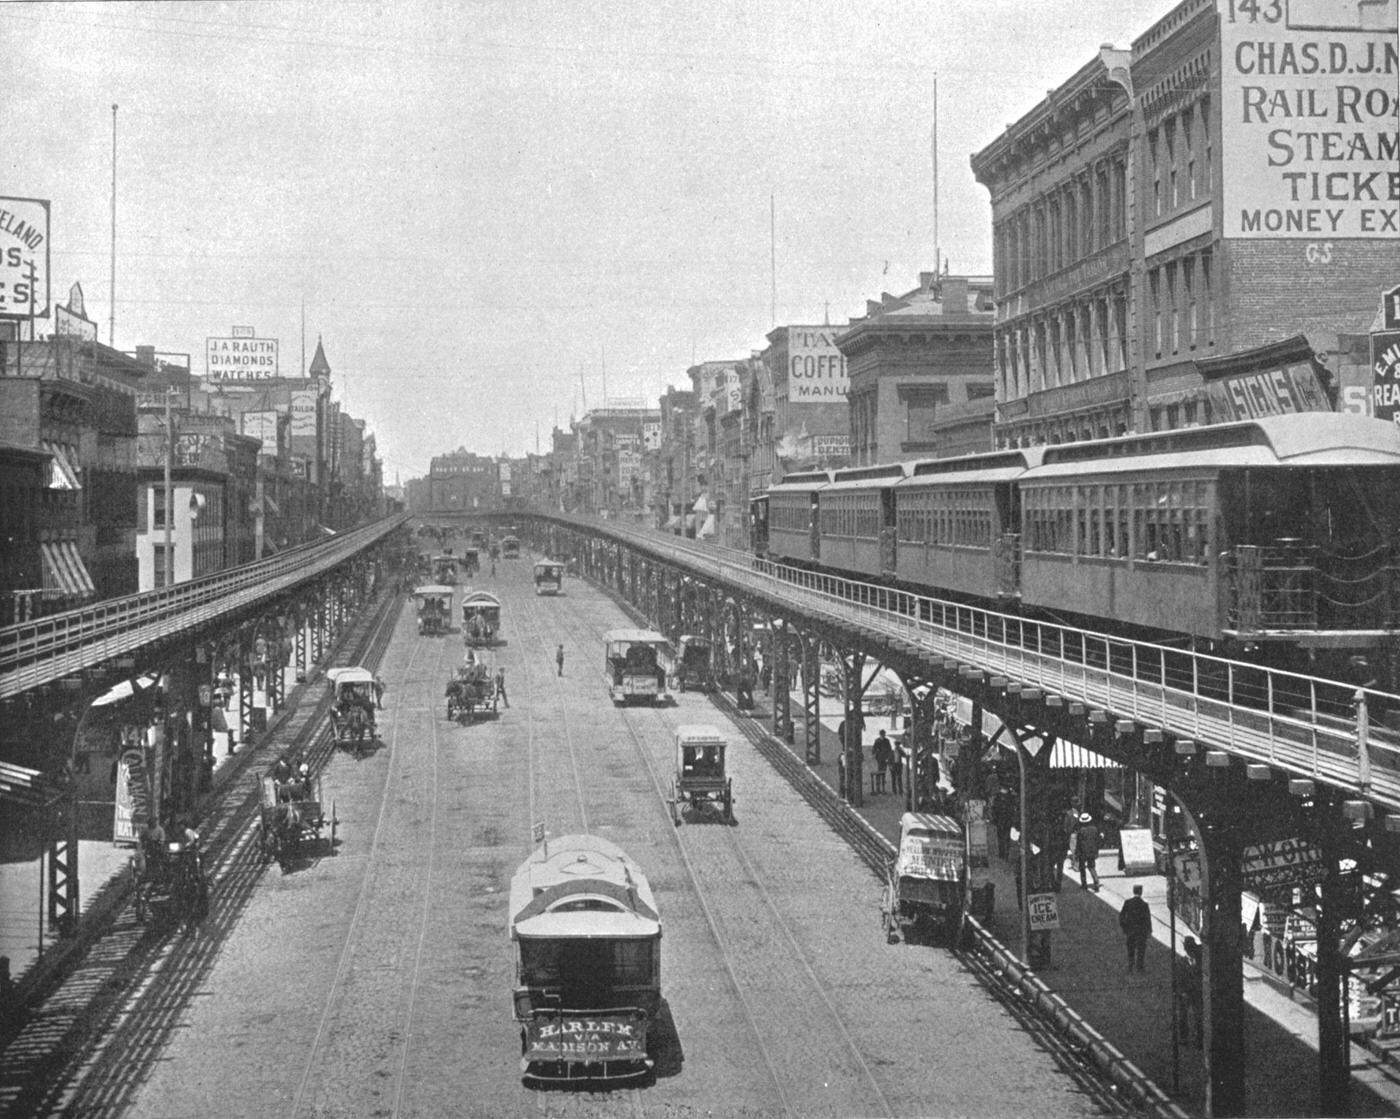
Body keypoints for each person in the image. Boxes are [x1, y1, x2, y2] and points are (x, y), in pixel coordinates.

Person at [1176, 937, 1204, 1048]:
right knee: (1183, 1016)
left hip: (1197, 992)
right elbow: (1178, 979)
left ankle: (1200, 1040)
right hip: (1185, 993)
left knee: (1199, 1017)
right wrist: (1182, 992)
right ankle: (1183, 1038)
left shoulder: (1199, 961)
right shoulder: (1181, 962)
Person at [1119, 884, 1151, 972]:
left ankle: (1130, 965)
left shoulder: (1128, 902)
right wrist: (1148, 931)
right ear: (1141, 892)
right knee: (1141, 949)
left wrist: (1124, 927)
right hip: (1141, 931)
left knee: (1130, 948)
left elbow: (1122, 915)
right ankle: (1140, 967)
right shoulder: (1144, 905)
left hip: (1130, 930)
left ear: (1133, 891)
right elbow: (1147, 919)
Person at [1075, 811, 1101, 890]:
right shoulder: (1094, 829)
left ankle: (1084, 884)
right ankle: (1096, 881)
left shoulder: (1081, 830)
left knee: (1082, 868)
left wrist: (1076, 853)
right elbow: (1097, 841)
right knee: (1092, 867)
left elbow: (1078, 842)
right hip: (1092, 851)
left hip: (1083, 851)